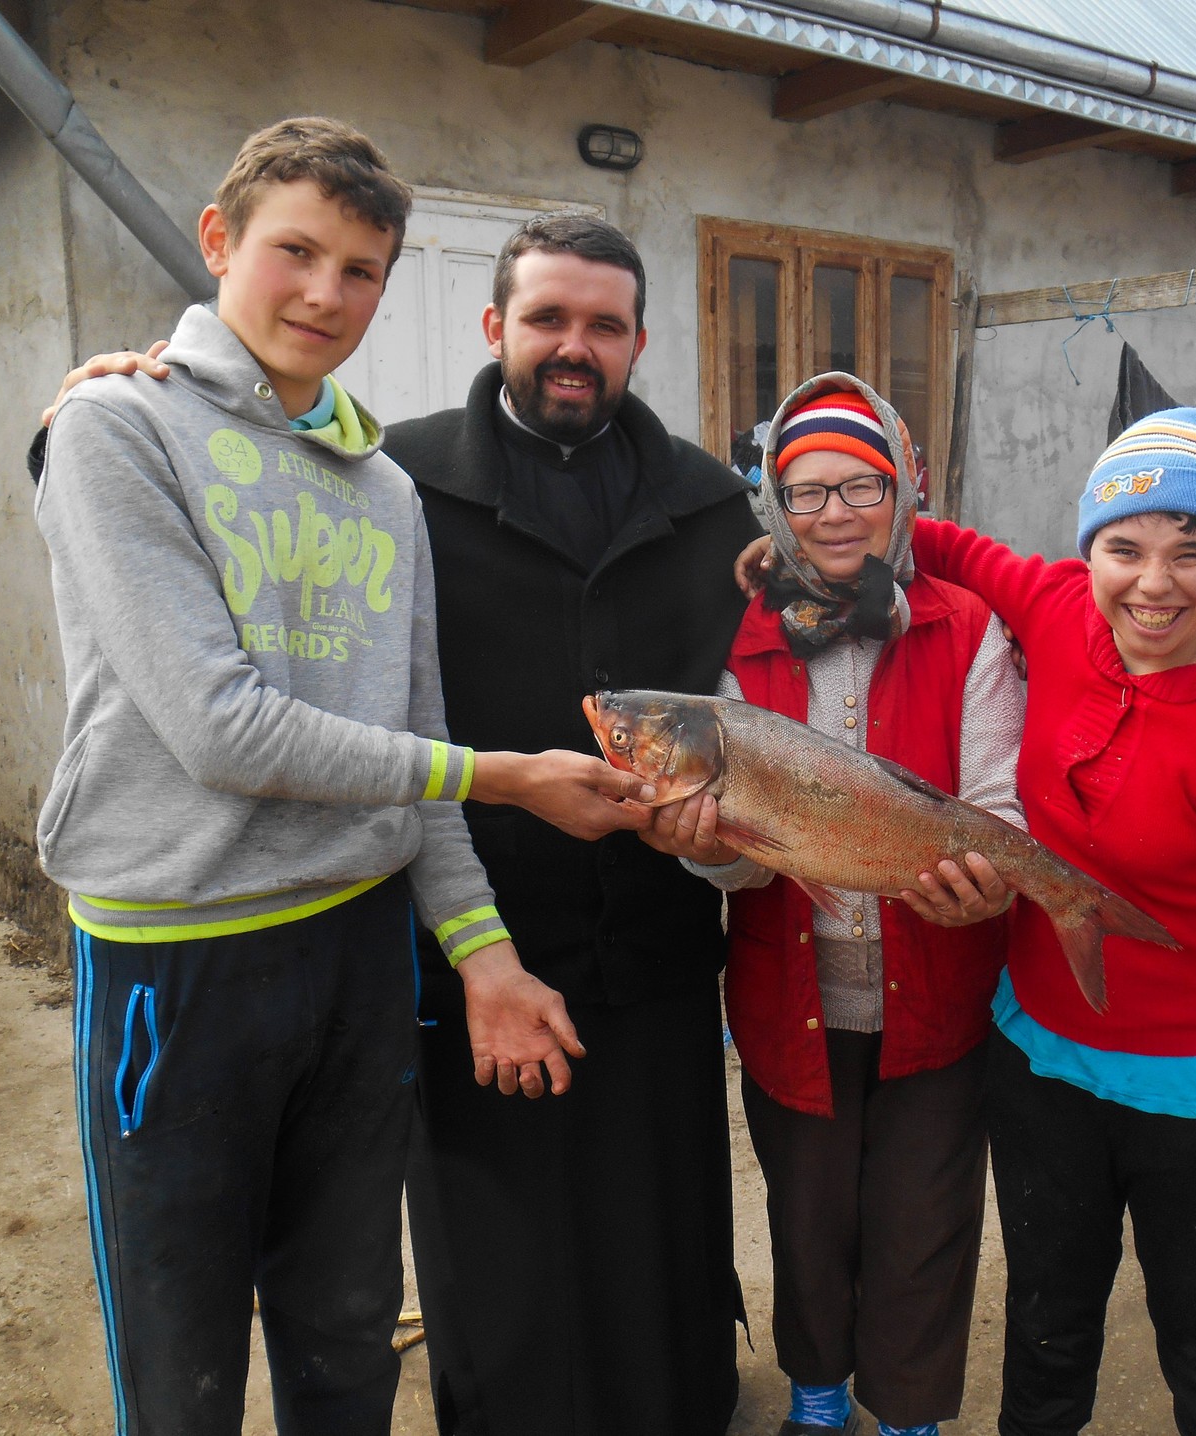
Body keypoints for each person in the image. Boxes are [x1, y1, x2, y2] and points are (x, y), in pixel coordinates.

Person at [32, 119, 648, 1434]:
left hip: (358, 962)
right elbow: (223, 732)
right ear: (218, 242)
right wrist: (506, 775)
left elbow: (403, 738)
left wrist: (481, 953)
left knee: (348, 1341)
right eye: (294, 251)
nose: (325, 293)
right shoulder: (115, 427)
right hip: (176, 959)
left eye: (362, 268)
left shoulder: (379, 490)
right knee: (182, 1356)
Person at [743, 406, 1196, 1436]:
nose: (1154, 582)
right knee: (1047, 1318)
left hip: (1193, 1095)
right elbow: (941, 537)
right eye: (1125, 547)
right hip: (1039, 1065)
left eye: (1192, 551)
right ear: (1090, 552)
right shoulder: (1060, 608)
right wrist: (809, 534)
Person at [380, 213, 760, 1436]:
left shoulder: (709, 507)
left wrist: (719, 832)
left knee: (655, 1223)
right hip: (476, 938)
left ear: (640, 339)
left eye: (603, 323)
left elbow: (776, 674)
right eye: (547, 318)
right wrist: (85, 411)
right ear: (495, 327)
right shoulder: (397, 480)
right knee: (502, 1242)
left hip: (653, 943)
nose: (573, 346)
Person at [646, 374, 1022, 1436]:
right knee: (809, 1218)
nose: (835, 513)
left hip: (939, 994)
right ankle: (817, 1393)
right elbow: (744, 857)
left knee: (924, 1220)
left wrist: (976, 892)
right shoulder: (741, 644)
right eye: (806, 492)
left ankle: (904, 1410)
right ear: (774, 505)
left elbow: (996, 803)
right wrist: (708, 855)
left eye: (861, 484)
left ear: (902, 491)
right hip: (787, 1002)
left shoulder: (964, 627)